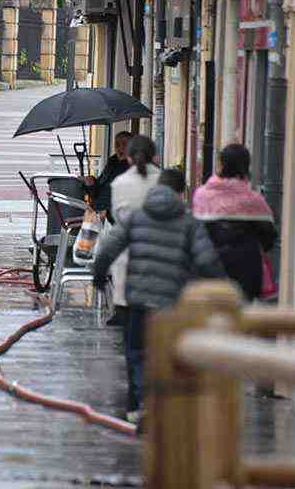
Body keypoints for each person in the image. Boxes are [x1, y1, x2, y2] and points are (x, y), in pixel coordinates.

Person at [91, 167, 224, 425]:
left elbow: (109, 247)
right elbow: (206, 260)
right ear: (179, 193)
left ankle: (138, 405)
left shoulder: (137, 217)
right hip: (172, 303)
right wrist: (222, 287)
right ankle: (166, 407)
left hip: (139, 300)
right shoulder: (189, 222)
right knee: (168, 355)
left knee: (136, 352)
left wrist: (98, 274)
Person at [192, 144, 278, 302]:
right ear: (246, 166)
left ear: (220, 165)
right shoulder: (253, 200)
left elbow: (193, 234)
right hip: (246, 270)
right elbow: (269, 237)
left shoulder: (202, 196)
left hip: (208, 269)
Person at [103, 135, 160, 328]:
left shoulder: (120, 184)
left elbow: (117, 218)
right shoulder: (162, 180)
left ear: (129, 157)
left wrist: (99, 268)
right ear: (154, 156)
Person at [84, 130, 132, 216]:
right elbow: (97, 189)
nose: (120, 148)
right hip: (97, 211)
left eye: (124, 144)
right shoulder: (112, 162)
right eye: (117, 144)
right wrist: (91, 184)